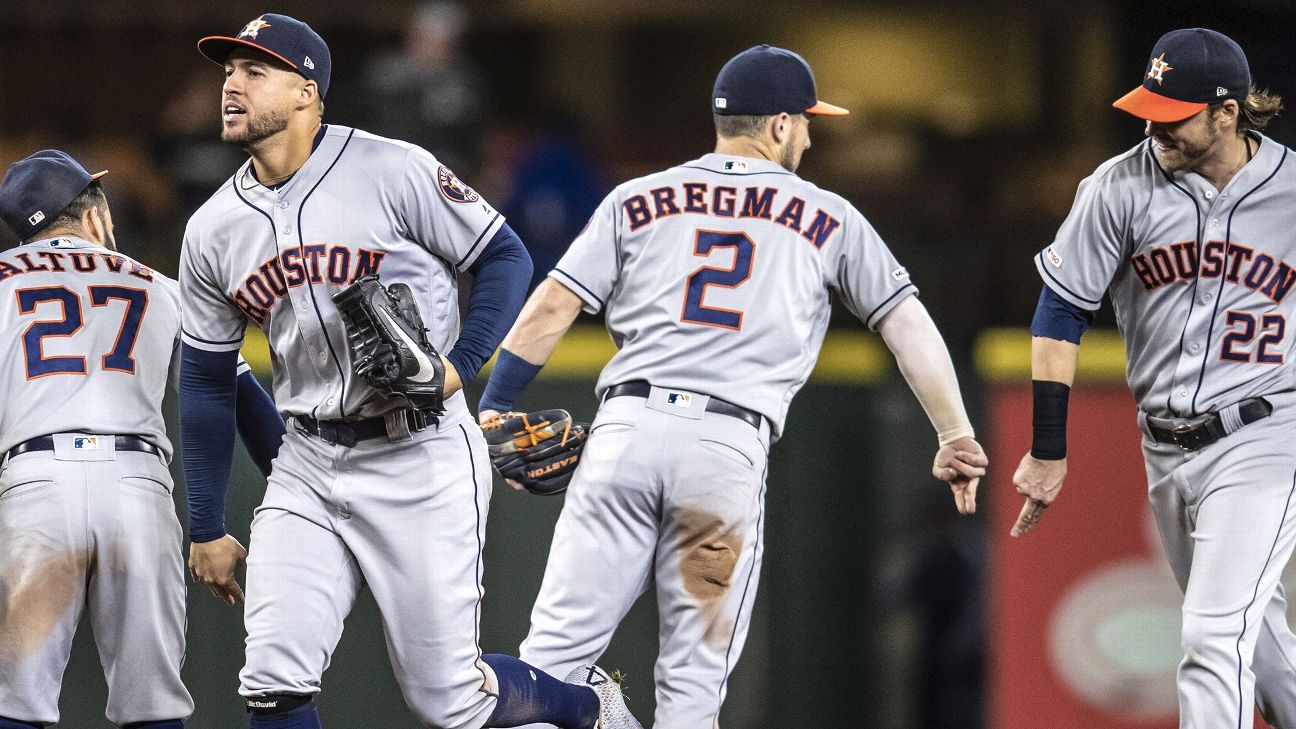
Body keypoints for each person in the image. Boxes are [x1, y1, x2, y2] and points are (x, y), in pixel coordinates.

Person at [478, 44, 988, 728]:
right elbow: (908, 325)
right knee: (691, 689)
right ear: (779, 124)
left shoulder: (637, 197)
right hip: (723, 448)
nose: (808, 135)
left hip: (624, 433)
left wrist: (494, 406)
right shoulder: (828, 216)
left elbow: (550, 306)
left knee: (550, 665)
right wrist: (954, 431)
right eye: (806, 121)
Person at [179, 14, 640, 729]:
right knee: (272, 679)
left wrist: (459, 368)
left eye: (254, 70)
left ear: (307, 91)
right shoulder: (212, 228)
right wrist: (206, 521)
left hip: (418, 450)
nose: (231, 84)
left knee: (449, 699)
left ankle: (588, 708)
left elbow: (505, 255)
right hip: (305, 459)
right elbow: (208, 378)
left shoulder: (391, 168)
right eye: (228, 71)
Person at [1011, 27, 1296, 729]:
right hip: (1165, 446)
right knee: (1256, 644)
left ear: (1227, 114)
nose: (1152, 124)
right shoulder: (1117, 187)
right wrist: (1048, 446)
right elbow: (1060, 312)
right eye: (1149, 106)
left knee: (1208, 636)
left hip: (1268, 436)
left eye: (1174, 114)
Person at [0, 150, 282, 729]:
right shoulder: (162, 286)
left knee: (15, 702)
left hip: (33, 482)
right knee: (151, 705)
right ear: (93, 213)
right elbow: (248, 406)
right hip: (137, 487)